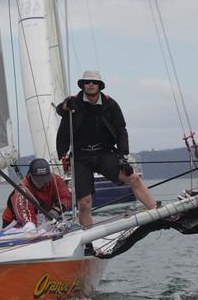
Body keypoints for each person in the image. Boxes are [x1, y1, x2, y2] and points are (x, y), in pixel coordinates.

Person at [56, 70, 158, 227]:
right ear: (83, 85)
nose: (91, 84)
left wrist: (123, 156)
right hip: (80, 157)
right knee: (84, 202)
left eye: (94, 82)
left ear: (99, 86)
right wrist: (64, 106)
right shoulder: (73, 102)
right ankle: (88, 238)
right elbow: (60, 110)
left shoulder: (110, 104)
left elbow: (121, 129)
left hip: (104, 153)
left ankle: (156, 212)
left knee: (134, 178)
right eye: (87, 82)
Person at [2, 158, 71, 229]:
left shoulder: (55, 180)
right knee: (30, 226)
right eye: (38, 179)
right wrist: (30, 225)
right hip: (14, 221)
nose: (41, 182)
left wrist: (57, 210)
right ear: (30, 175)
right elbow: (25, 213)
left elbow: (65, 197)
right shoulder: (23, 189)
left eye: (44, 179)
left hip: (42, 218)